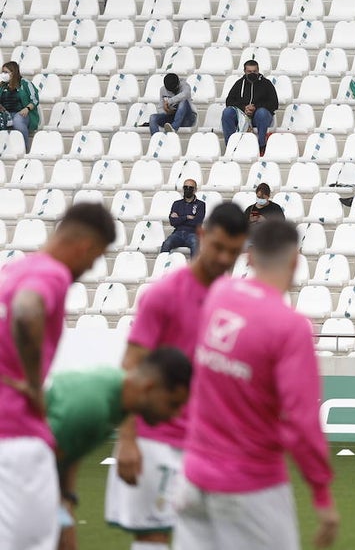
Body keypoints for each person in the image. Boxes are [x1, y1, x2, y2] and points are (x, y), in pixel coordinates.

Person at [176, 220, 339, 549]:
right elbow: (301, 420)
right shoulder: (291, 327)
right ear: (295, 260)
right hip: (250, 486)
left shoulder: (219, 294)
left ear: (249, 257)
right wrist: (321, 494)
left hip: (192, 476)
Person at [105, 203, 248, 549]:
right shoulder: (164, 295)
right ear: (201, 236)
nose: (223, 257)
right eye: (217, 247)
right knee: (152, 538)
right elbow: (132, 365)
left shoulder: (234, 303)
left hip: (207, 444)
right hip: (156, 439)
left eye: (233, 251)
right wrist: (126, 439)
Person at [0, 202, 116, 550]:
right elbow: (27, 309)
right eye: (95, 258)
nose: (90, 267)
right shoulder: (53, 274)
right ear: (86, 246)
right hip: (18, 435)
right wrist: (34, 384)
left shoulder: (14, 269)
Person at [54, 348, 193, 550]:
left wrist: (66, 505)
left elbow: (69, 455)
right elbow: (45, 465)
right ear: (149, 387)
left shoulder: (116, 400)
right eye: (173, 404)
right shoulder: (94, 405)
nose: (176, 416)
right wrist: (62, 518)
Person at [221, 59, 279, 153]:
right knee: (227, 112)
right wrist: (244, 108)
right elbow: (229, 101)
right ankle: (231, 146)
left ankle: (261, 146)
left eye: (254, 71)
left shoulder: (266, 84)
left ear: (258, 70)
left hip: (260, 117)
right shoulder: (239, 84)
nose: (252, 73)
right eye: (249, 71)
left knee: (262, 113)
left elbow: (274, 103)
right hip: (242, 116)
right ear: (244, 71)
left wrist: (255, 107)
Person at [0, 60, 41, 151]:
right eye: (2, 72)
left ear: (13, 73)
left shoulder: (25, 83)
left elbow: (35, 99)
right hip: (6, 114)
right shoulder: (2, 85)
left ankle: (25, 149)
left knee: (18, 121)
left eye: (6, 72)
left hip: (23, 113)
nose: (3, 74)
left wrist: (27, 108)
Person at [161, 179, 206, 255]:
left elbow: (197, 222)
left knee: (195, 243)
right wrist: (186, 217)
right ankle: (162, 266)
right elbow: (172, 222)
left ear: (195, 190)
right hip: (177, 233)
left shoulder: (201, 204)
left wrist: (179, 218)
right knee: (166, 243)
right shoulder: (176, 204)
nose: (188, 190)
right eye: (185, 187)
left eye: (190, 188)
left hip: (192, 233)